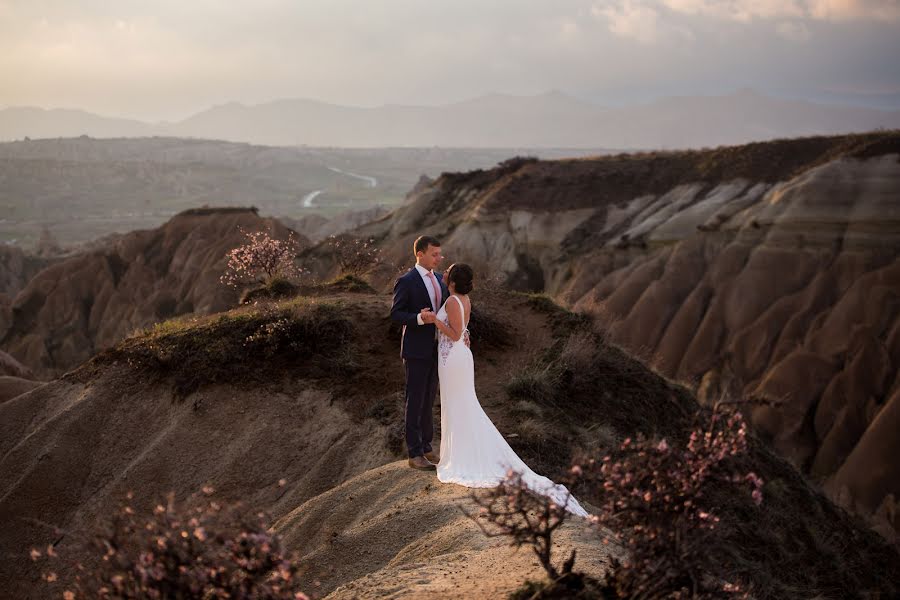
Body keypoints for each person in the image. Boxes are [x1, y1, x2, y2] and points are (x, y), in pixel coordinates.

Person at [432, 262, 588, 516]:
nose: (445, 272)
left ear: (452, 280)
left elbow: (455, 331)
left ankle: (463, 455)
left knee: (459, 405)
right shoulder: (463, 299)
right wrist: (462, 332)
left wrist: (431, 320)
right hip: (457, 356)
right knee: (460, 404)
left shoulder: (452, 302)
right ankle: (461, 450)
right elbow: (464, 328)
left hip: (453, 359)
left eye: (448, 271)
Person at [390, 235, 448, 471]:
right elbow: (396, 313)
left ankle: (426, 447)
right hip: (415, 350)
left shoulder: (439, 281)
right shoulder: (407, 281)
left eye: (439, 254)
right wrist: (418, 318)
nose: (439, 258)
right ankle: (414, 454)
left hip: (437, 349)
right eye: (434, 254)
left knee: (428, 400)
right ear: (420, 254)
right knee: (414, 401)